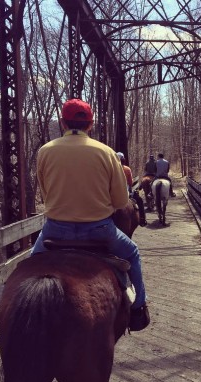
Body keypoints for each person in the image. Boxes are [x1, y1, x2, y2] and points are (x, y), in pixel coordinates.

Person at [31, 98, 150, 331]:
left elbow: (46, 194)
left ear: (63, 123)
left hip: (55, 230)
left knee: (29, 266)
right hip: (99, 230)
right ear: (91, 124)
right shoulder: (106, 153)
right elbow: (120, 201)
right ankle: (139, 308)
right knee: (133, 254)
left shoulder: (45, 151)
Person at [116, 152, 147, 227]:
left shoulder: (111, 168)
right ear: (123, 159)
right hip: (124, 191)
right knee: (139, 200)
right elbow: (130, 182)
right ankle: (142, 219)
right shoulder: (127, 169)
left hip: (112, 191)